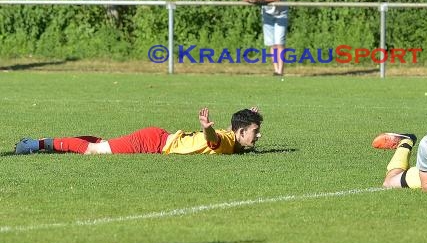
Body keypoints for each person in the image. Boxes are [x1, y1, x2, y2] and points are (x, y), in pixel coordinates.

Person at [14, 107, 262, 155]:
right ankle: (34, 144)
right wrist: (206, 129)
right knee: (94, 150)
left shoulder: (234, 137)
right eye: (254, 130)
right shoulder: (228, 142)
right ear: (239, 132)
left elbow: (229, 132)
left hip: (157, 138)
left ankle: (50, 144)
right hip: (152, 143)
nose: (258, 135)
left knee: (103, 144)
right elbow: (214, 141)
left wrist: (247, 116)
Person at [243, 0, 288, 76]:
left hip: (280, 14)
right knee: (272, 43)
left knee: (280, 43)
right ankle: (276, 70)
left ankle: (280, 71)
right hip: (267, 15)